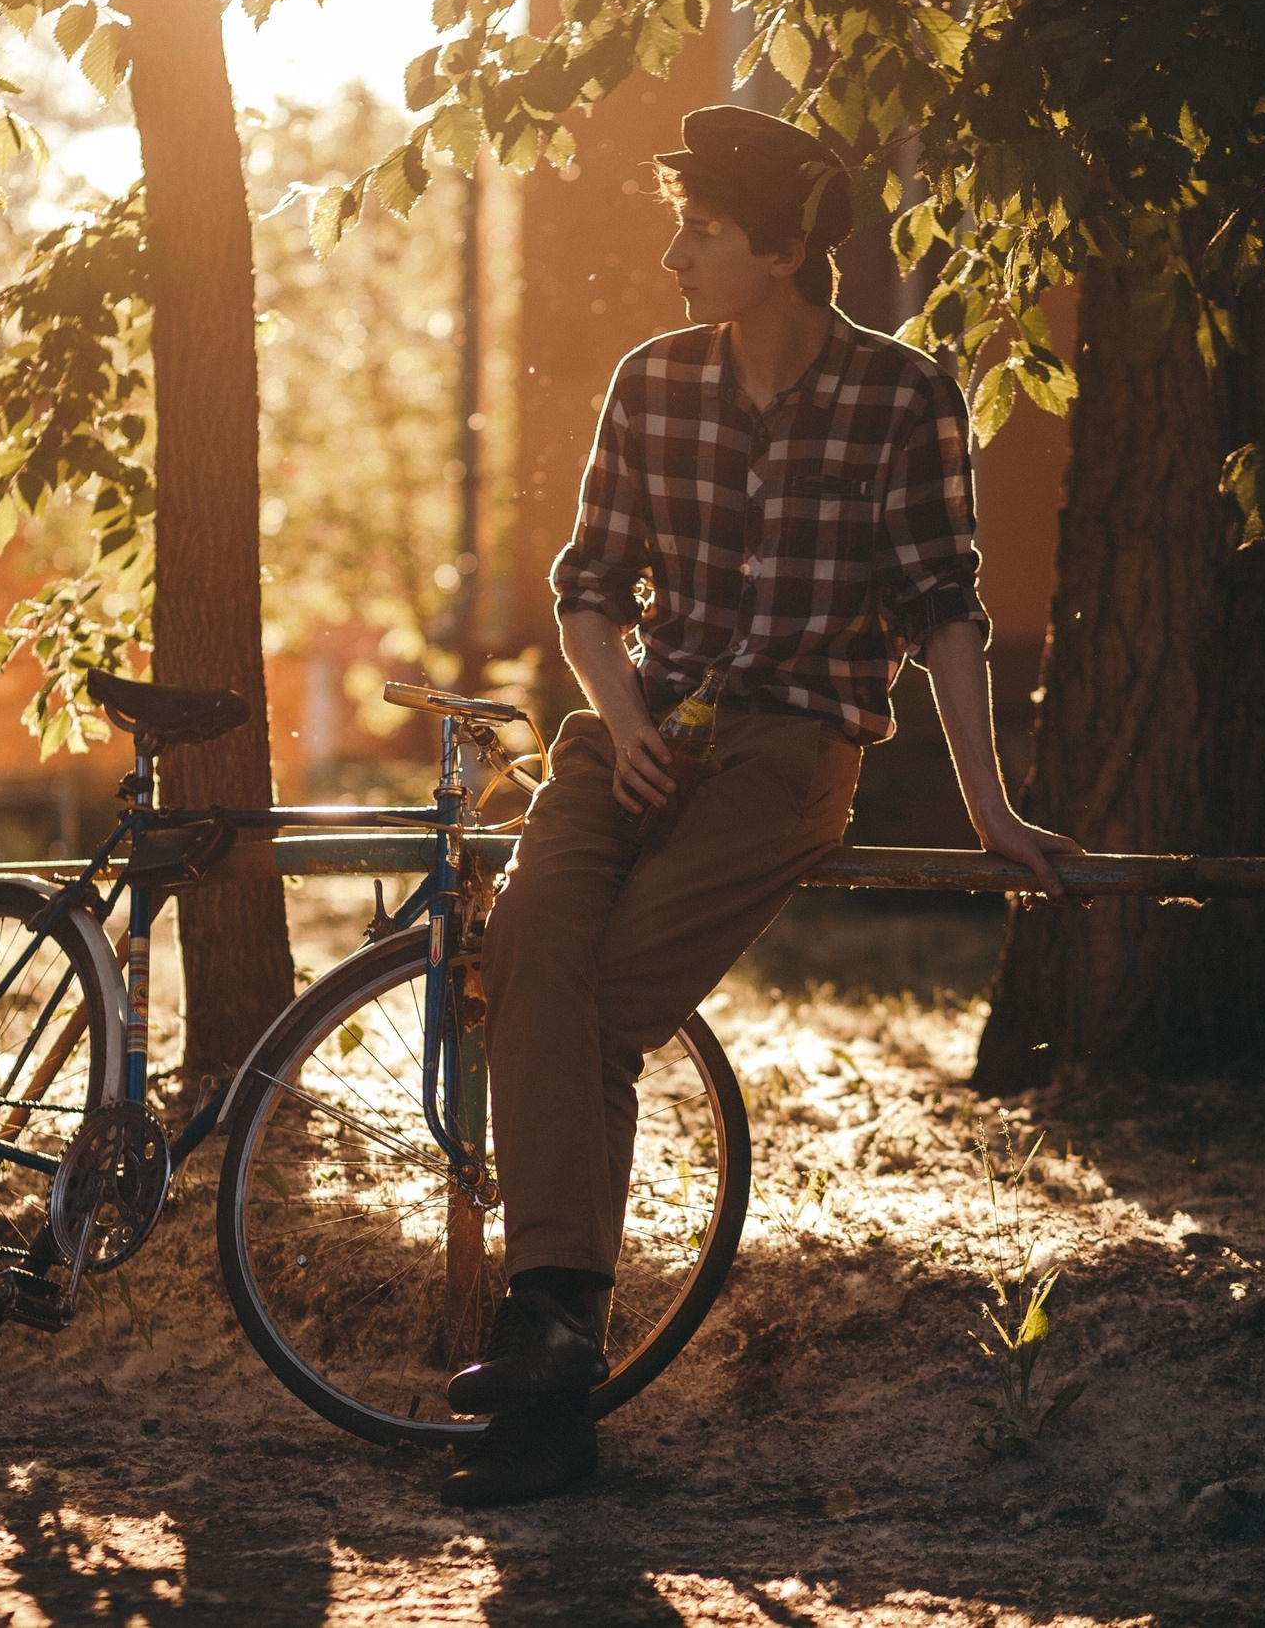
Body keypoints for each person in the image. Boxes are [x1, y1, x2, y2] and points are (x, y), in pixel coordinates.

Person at [438, 105, 1082, 1509]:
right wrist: (617, 720)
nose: (674, 256)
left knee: (599, 1002)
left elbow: (943, 613)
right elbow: (589, 592)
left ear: (784, 251)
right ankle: (551, 1373)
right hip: (632, 732)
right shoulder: (652, 383)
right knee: (533, 947)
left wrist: (993, 806)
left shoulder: (905, 398)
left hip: (791, 753)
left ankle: (546, 1358)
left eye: (703, 233)